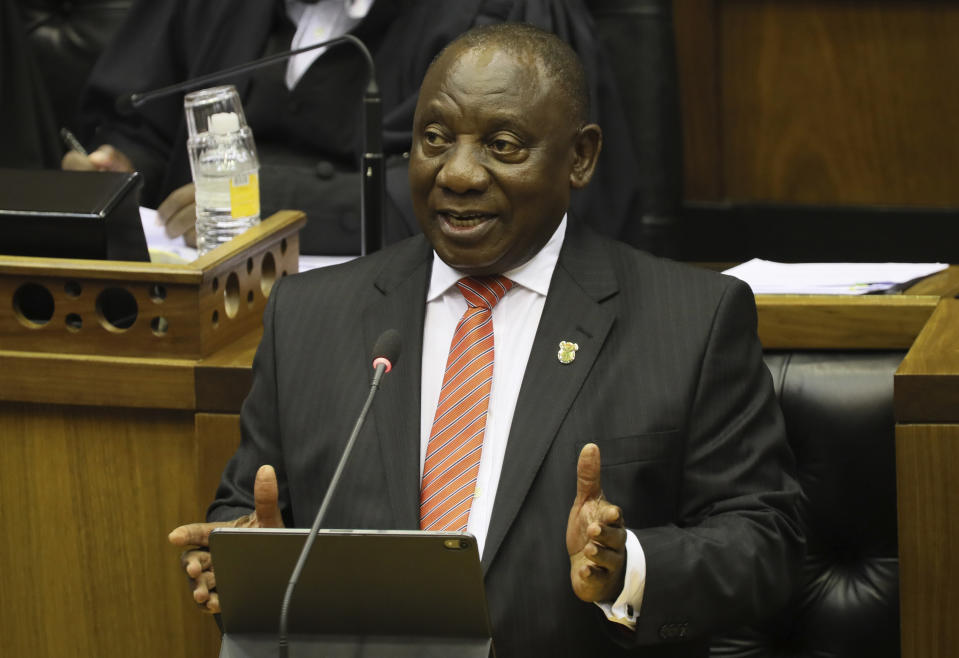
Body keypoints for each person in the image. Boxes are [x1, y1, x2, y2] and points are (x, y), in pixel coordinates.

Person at [168, 23, 803, 657]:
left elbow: (766, 542)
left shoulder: (690, 320)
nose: (459, 174)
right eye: (435, 139)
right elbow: (246, 506)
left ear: (580, 157)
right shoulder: (308, 316)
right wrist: (247, 556)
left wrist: (627, 562)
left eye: (502, 145)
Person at [61, 0, 640, 256]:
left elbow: (499, 192)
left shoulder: (496, 16)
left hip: (400, 315)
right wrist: (117, 162)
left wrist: (267, 204)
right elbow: (144, 121)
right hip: (198, 295)